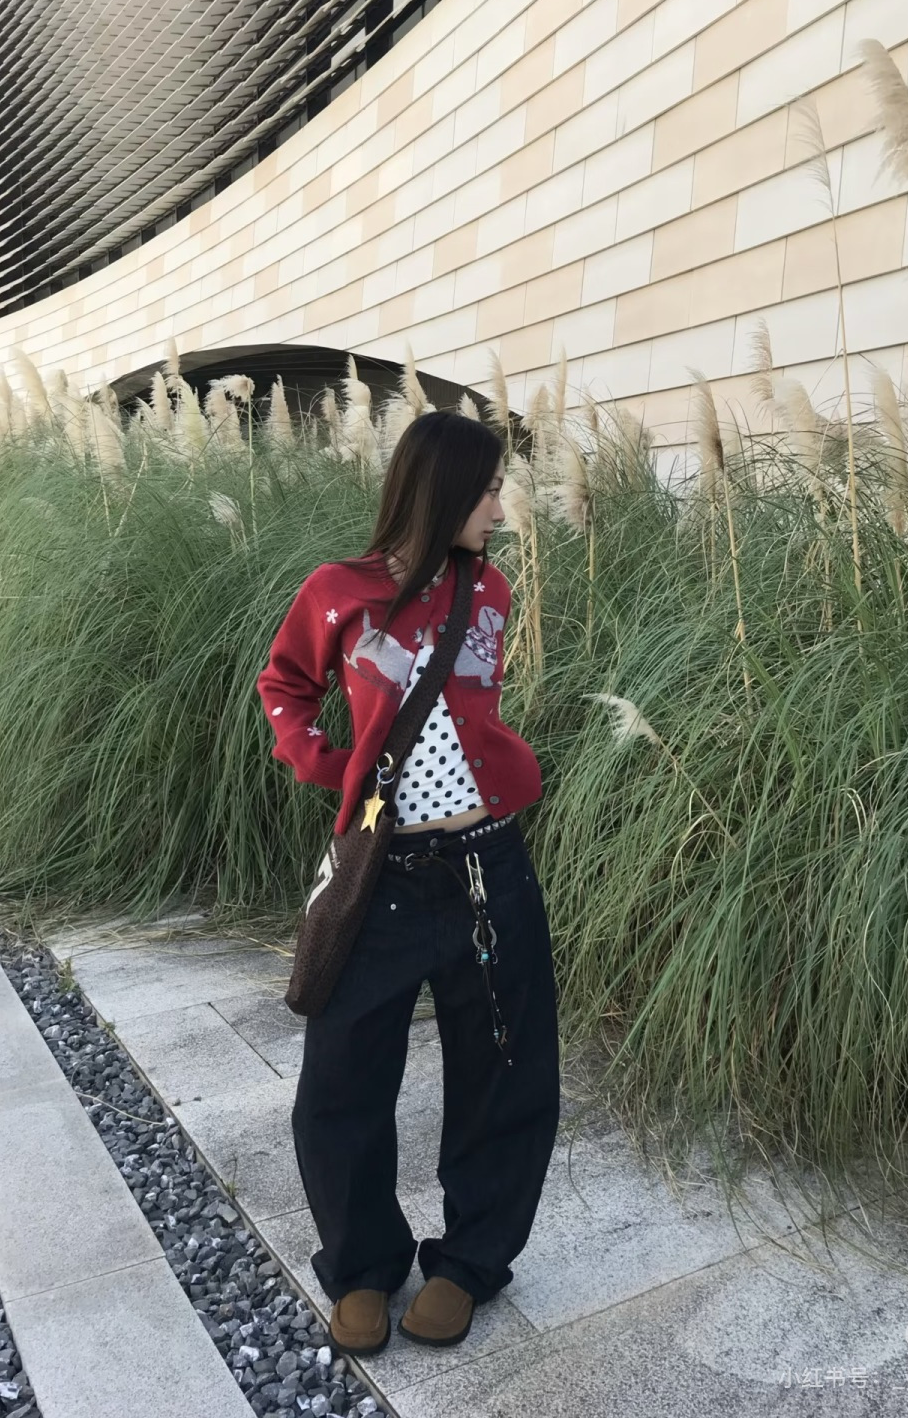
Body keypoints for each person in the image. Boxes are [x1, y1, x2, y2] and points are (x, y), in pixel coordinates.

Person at [256, 409, 560, 1353]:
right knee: (339, 1082)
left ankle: (470, 1262)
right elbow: (283, 686)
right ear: (443, 491)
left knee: (506, 1074)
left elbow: (474, 713)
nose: (501, 509)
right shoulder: (337, 592)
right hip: (381, 878)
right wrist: (329, 765)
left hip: (488, 868)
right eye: (489, 491)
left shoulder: (490, 589)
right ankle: (361, 1266)